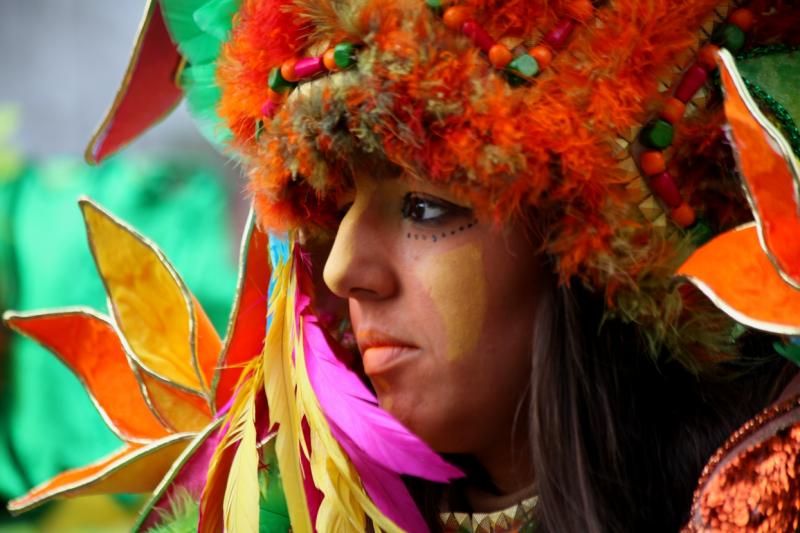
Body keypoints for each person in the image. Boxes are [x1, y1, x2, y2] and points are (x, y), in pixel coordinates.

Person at [5, 0, 800, 531]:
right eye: (332, 205)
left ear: (600, 261)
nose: (345, 268)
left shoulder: (764, 494)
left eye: (425, 206)